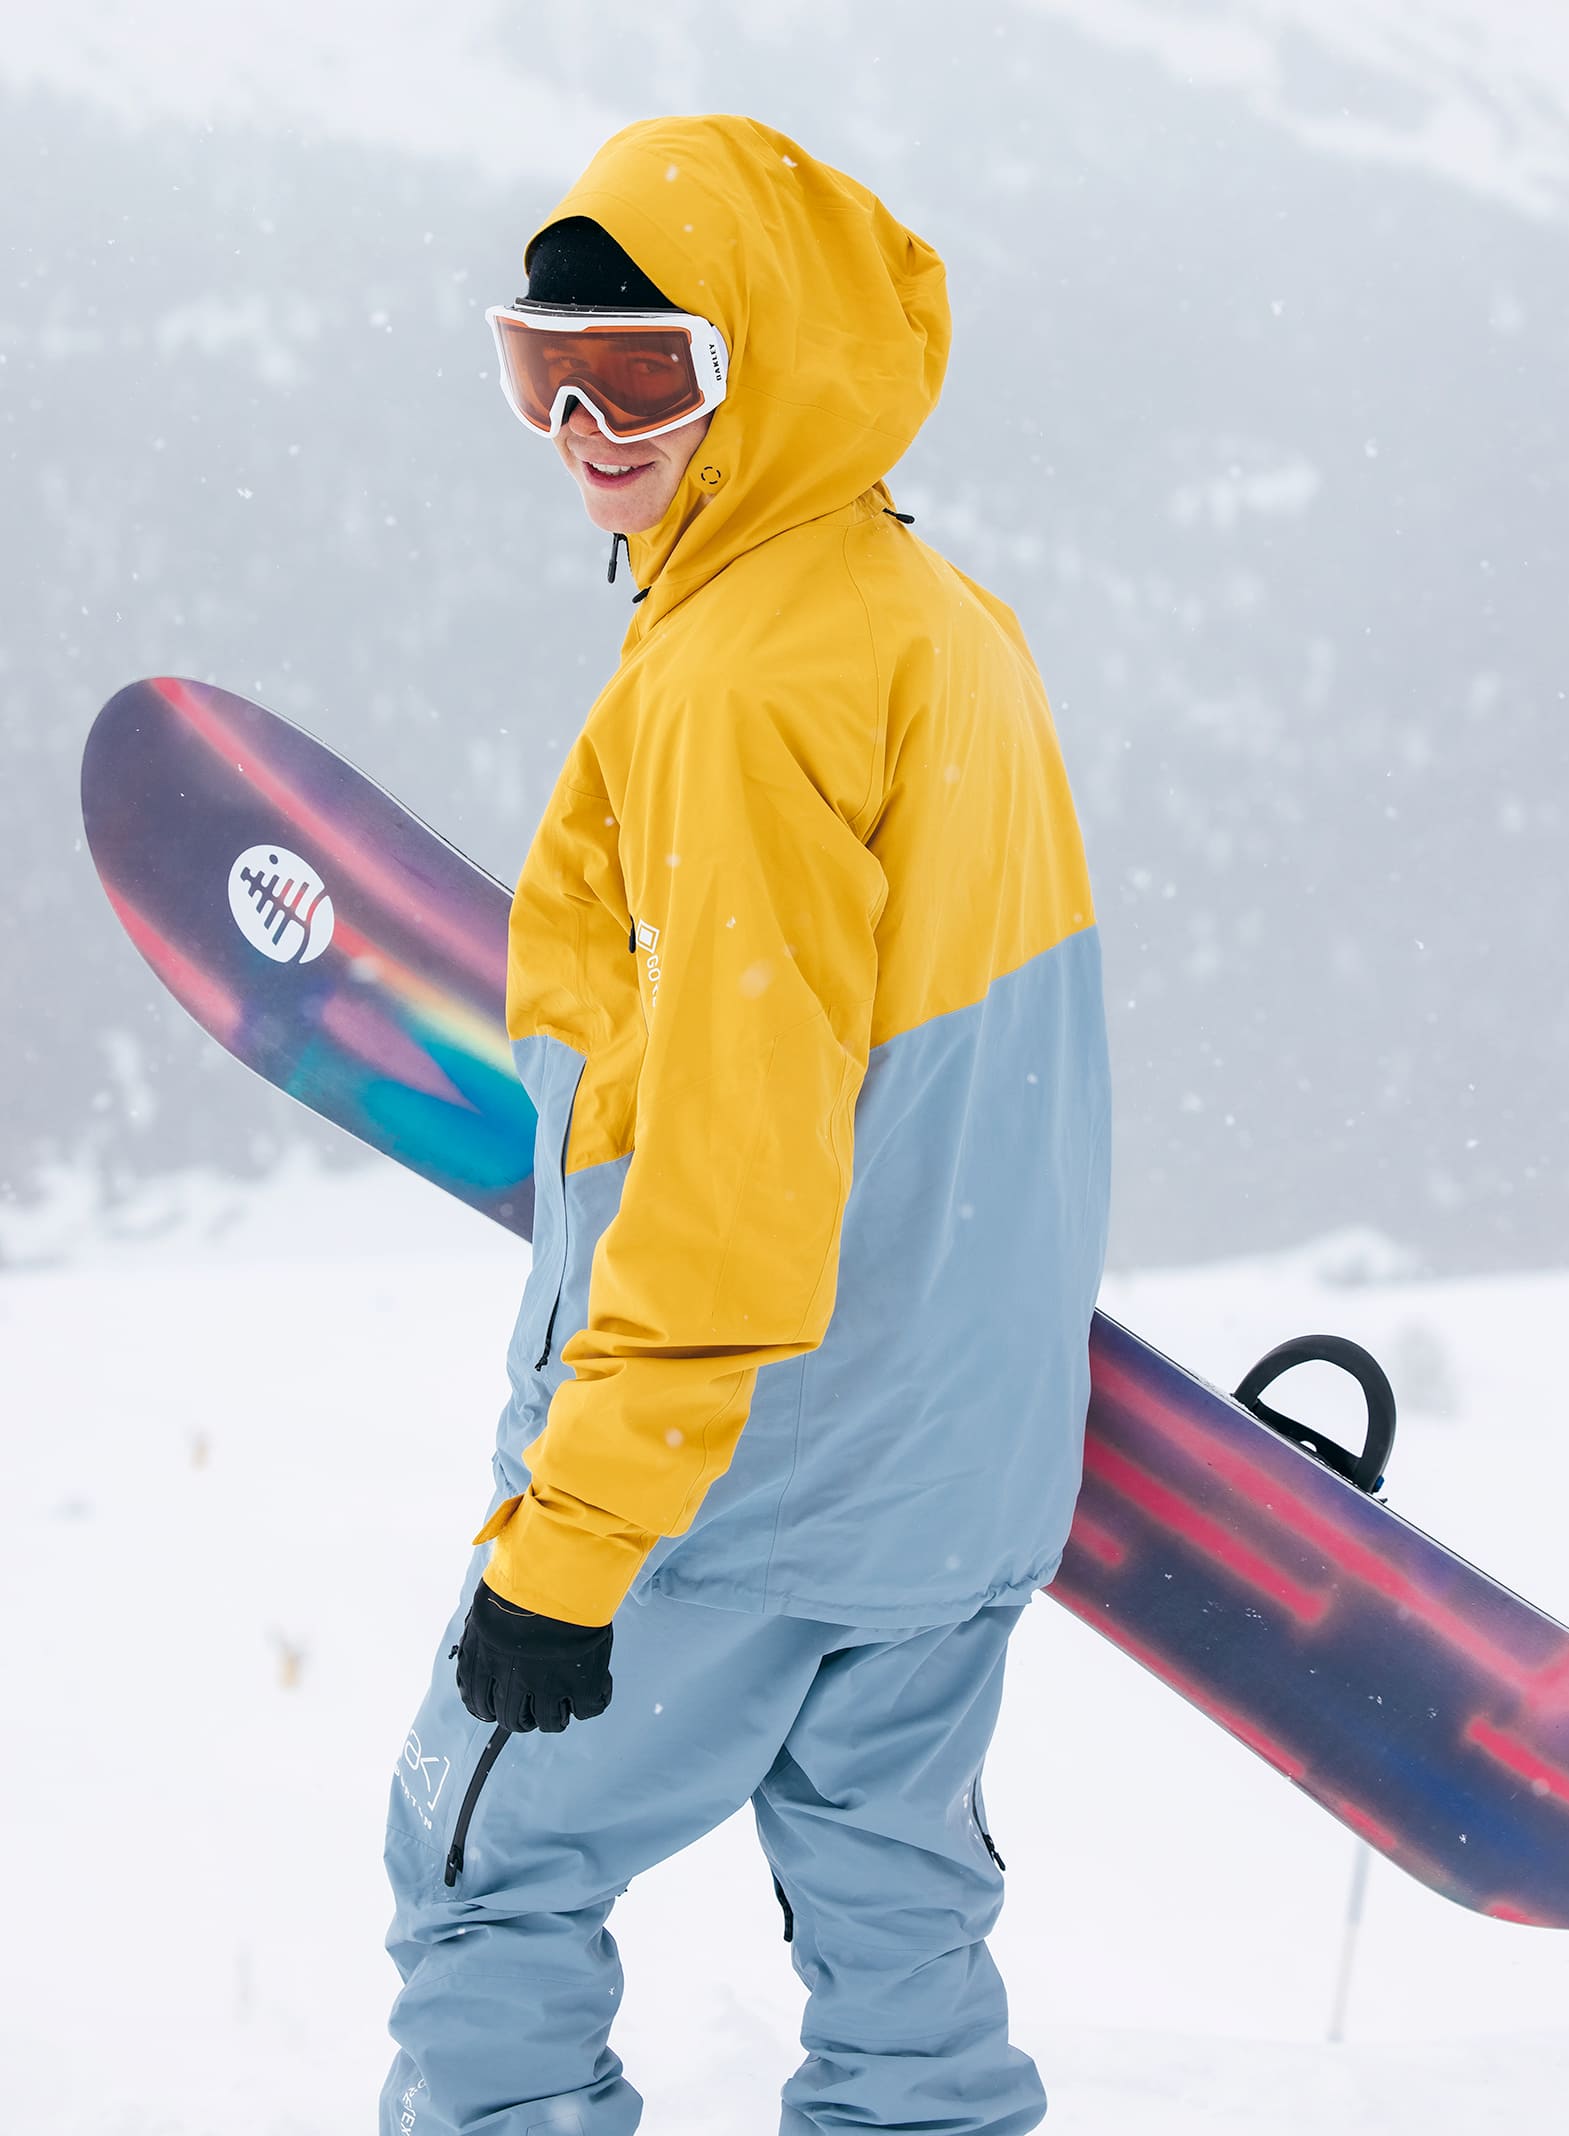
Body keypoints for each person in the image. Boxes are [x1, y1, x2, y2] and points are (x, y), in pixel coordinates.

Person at [382, 114, 1110, 2136]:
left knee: (477, 1874)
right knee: (894, 1925)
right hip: (953, 1467)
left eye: (648, 374)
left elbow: (733, 1158)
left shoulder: (733, 687)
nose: (585, 431)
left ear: (763, 369)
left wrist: (574, 1542)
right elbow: (1005, 1083)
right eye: (544, 371)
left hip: (735, 1474)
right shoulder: (941, 623)